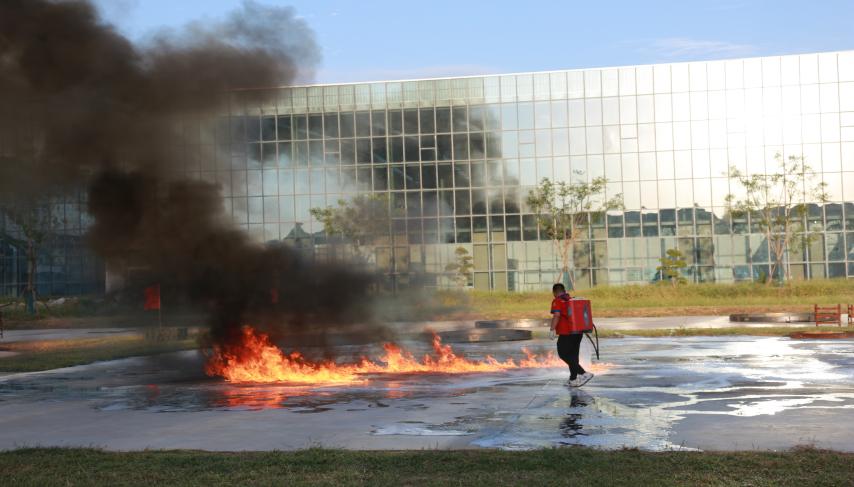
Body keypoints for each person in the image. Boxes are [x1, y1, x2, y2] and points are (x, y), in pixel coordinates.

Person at [550, 283, 593, 387]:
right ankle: (573, 379)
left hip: (567, 333)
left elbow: (556, 315)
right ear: (564, 291)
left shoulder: (557, 301)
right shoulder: (570, 300)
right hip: (577, 332)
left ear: (554, 292)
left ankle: (584, 373)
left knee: (563, 354)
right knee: (573, 356)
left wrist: (552, 329)